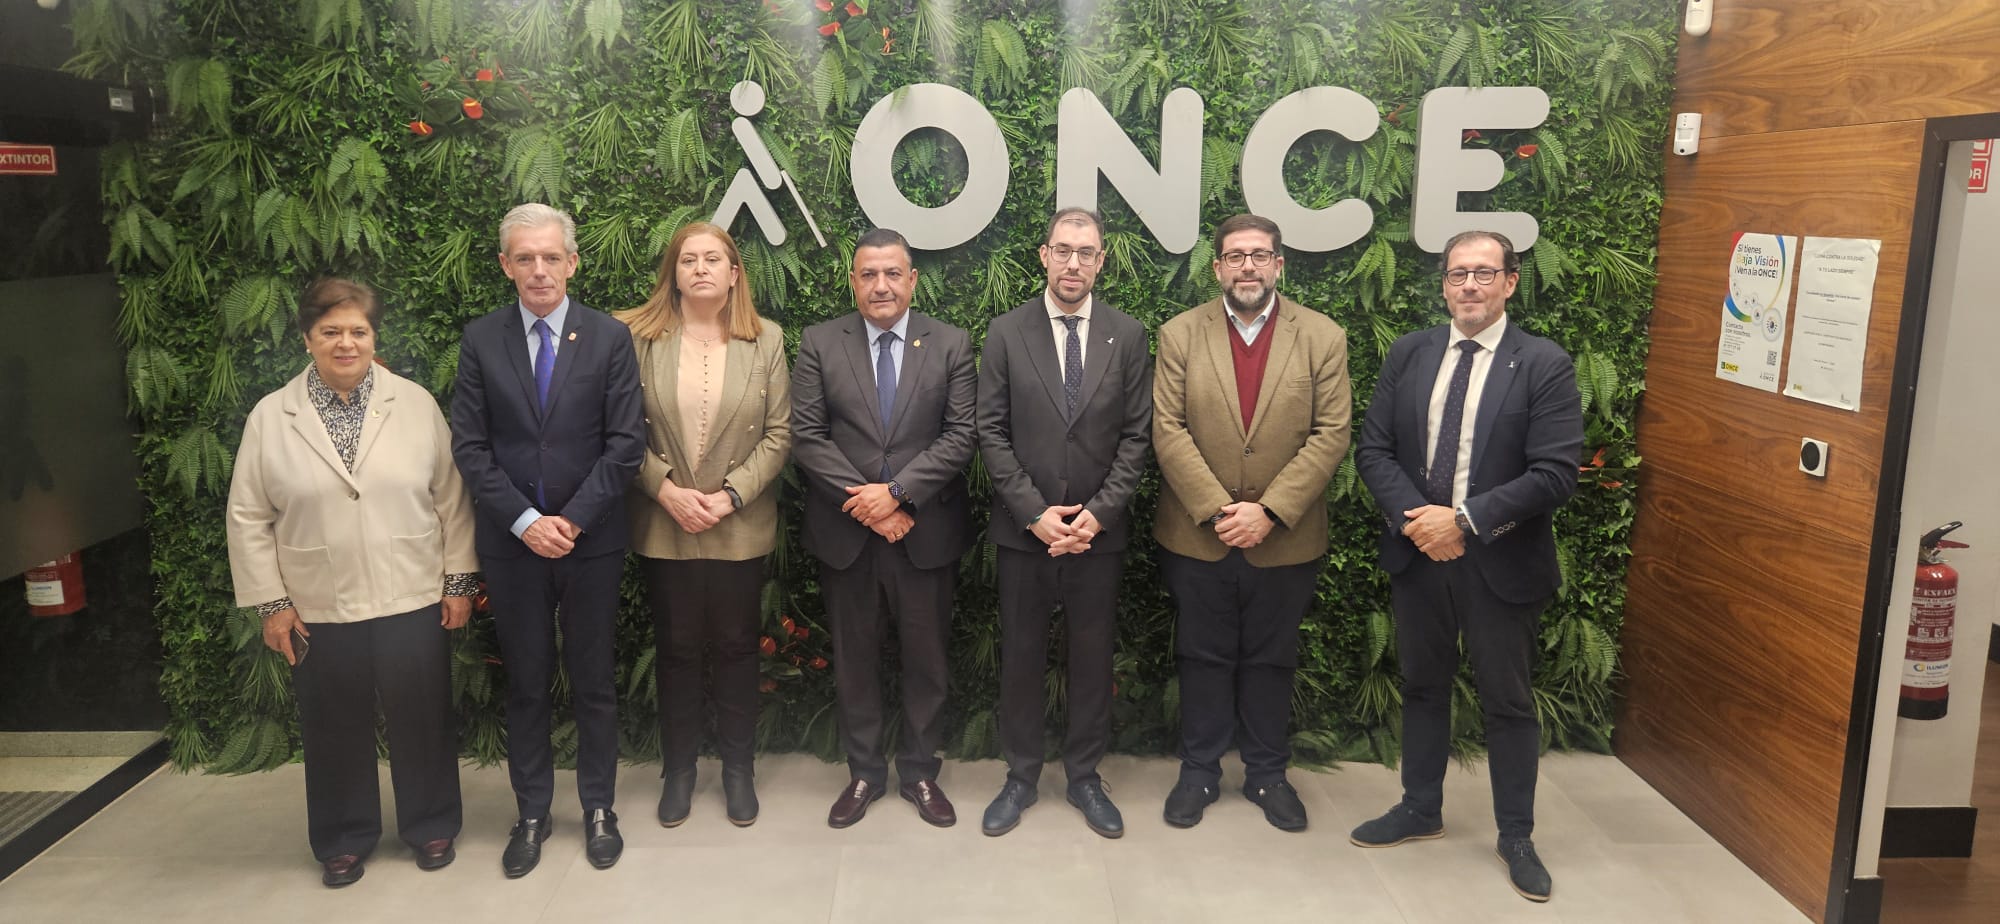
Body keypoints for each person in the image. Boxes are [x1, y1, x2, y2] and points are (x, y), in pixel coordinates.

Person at [1349, 230, 1583, 903]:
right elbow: (1375, 451)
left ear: (1511, 281)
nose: (1470, 287)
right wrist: (1421, 523)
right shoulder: (1411, 353)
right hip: (1420, 554)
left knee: (1507, 703)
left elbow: (1556, 473)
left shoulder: (1542, 364)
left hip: (1499, 562)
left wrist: (1465, 520)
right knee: (1423, 686)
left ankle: (1516, 836)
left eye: (1484, 274)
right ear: (1444, 285)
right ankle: (1420, 807)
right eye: (1458, 275)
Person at [226, 278, 476, 888]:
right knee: (332, 723)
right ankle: (343, 837)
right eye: (331, 331)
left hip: (411, 589)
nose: (346, 343)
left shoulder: (414, 403)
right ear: (308, 338)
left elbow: (452, 497)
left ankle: (431, 822)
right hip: (317, 600)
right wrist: (273, 604)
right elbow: (248, 515)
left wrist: (460, 580)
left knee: (422, 716)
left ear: (373, 337)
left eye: (358, 331)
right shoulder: (271, 416)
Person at [449, 203, 644, 877]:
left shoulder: (610, 338)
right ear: (506, 265)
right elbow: (470, 448)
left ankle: (598, 809)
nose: (539, 270)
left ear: (573, 261)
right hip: (513, 546)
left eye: (551, 256)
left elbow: (625, 446)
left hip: (590, 542)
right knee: (528, 683)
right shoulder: (481, 339)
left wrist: (572, 520)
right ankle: (531, 812)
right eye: (525, 258)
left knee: (593, 681)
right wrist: (527, 522)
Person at [1151, 213, 1352, 832]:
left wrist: (1267, 511)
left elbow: (1331, 432)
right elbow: (1168, 428)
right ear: (1217, 267)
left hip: (1284, 536)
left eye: (1259, 256)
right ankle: (1199, 772)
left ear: (1278, 265)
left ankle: (1267, 775)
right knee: (1202, 655)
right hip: (1196, 533)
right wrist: (1218, 510)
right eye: (1235, 256)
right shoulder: (1181, 333)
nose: (1247, 266)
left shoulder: (1322, 336)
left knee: (1272, 658)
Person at [790, 227, 977, 829]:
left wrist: (897, 496)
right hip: (848, 537)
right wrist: (868, 504)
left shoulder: (950, 344)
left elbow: (961, 435)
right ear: (853, 281)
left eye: (893, 273)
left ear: (912, 280)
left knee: (927, 662)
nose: (881, 285)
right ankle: (865, 772)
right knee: (855, 660)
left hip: (924, 535)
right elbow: (808, 436)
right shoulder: (821, 343)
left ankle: (920, 770)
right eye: (868, 274)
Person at [974, 207, 1151, 838]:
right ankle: (1020, 776)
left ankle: (1083, 776)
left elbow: (1137, 437)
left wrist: (1098, 516)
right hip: (1027, 534)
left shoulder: (1127, 336)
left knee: (1092, 657)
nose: (1074, 262)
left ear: (1102, 261)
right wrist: (1034, 513)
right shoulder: (1005, 332)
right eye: (1063, 250)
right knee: (1021, 657)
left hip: (1097, 537)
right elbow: (989, 430)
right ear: (1043, 255)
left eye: (1087, 252)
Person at [616, 221, 791, 828]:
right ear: (674, 272)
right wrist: (663, 487)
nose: (700, 269)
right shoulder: (637, 339)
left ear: (734, 273)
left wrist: (731, 496)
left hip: (737, 524)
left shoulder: (766, 340)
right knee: (677, 650)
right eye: (688, 260)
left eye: (713, 259)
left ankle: (738, 771)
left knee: (741, 648)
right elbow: (618, 432)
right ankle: (681, 772)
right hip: (666, 523)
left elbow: (781, 432)